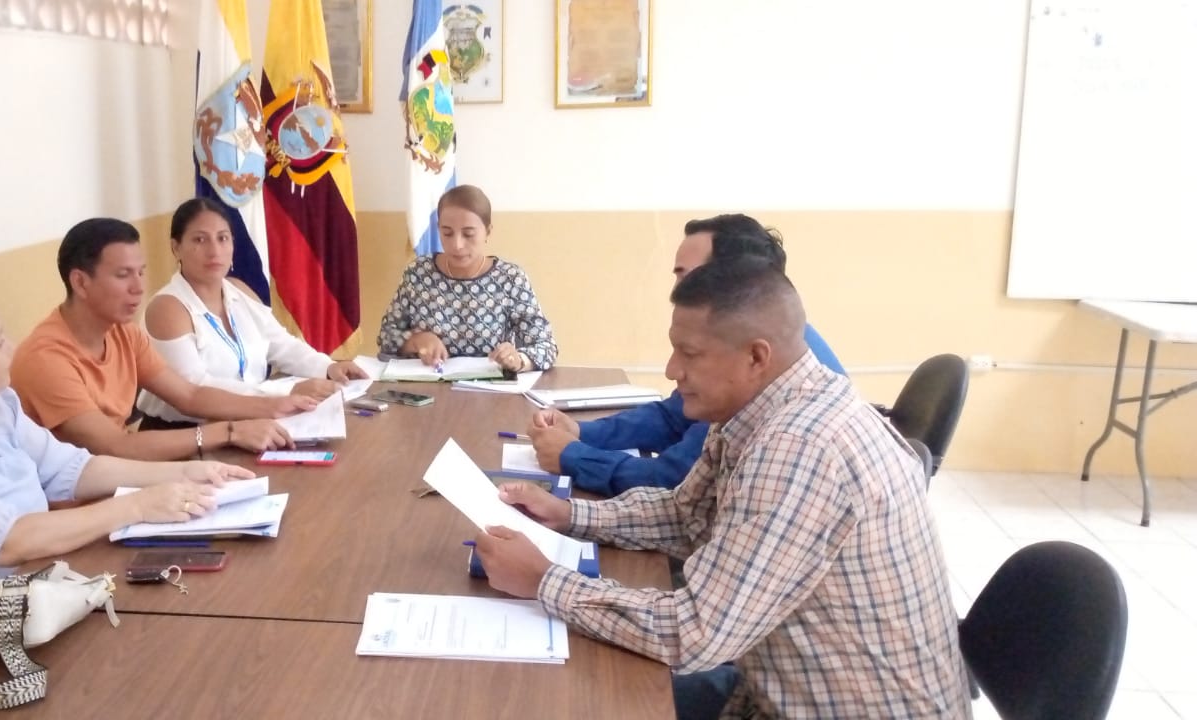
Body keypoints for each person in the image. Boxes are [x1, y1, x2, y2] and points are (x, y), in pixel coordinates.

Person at [473, 258, 969, 719]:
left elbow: (695, 633)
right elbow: (686, 513)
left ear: (756, 356)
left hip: (838, 709)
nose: (672, 370)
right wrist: (569, 515)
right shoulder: (761, 406)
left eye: (689, 354)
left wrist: (543, 580)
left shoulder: (800, 447)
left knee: (558, 702)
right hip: (775, 686)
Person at [0, 290, 255, 612]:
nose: (12, 349)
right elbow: (8, 542)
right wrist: (137, 506)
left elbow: (70, 470)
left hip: (25, 595)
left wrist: (182, 473)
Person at [527, 214, 845, 496]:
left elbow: (674, 480)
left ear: (736, 282)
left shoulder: (774, 394)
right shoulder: (761, 342)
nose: (677, 292)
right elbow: (672, 417)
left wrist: (573, 456)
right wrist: (581, 432)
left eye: (688, 277)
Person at [10, 218, 320, 461]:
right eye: (123, 275)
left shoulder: (123, 332)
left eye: (141, 272)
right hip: (75, 500)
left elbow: (189, 395)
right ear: (80, 282)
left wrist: (273, 406)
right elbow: (115, 446)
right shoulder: (46, 359)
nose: (138, 287)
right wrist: (229, 432)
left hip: (118, 476)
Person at [139, 198, 369, 426]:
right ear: (176, 247)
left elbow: (281, 344)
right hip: (185, 433)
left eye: (223, 238)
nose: (214, 250)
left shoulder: (239, 291)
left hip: (251, 420)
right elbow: (194, 389)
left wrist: (327, 367)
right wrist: (283, 393)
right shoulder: (167, 308)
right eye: (200, 239)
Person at [376, 185, 558, 371]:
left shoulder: (510, 279)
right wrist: (416, 341)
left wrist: (518, 360)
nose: (457, 245)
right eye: (447, 233)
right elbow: (386, 336)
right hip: (428, 384)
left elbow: (546, 346)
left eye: (468, 234)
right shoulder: (418, 273)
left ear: (488, 231)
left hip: (488, 386)